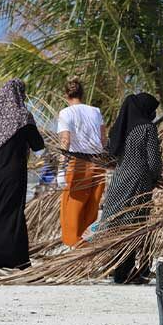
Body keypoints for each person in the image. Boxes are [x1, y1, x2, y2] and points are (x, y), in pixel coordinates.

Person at [0, 79, 45, 281]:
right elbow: (38, 145)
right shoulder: (22, 116)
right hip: (12, 173)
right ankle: (9, 259)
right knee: (10, 214)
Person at [100, 93, 162, 284]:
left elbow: (111, 151)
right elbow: (153, 161)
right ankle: (126, 272)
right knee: (134, 224)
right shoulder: (147, 128)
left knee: (119, 223)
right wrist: (156, 178)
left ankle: (119, 267)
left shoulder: (122, 127)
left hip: (119, 179)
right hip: (139, 181)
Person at [57, 78, 106, 246]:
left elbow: (65, 141)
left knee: (72, 208)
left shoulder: (66, 113)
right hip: (98, 162)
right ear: (82, 94)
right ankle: (87, 246)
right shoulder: (96, 111)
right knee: (92, 206)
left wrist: (61, 170)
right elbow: (103, 139)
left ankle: (74, 246)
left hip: (78, 162)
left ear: (66, 95)